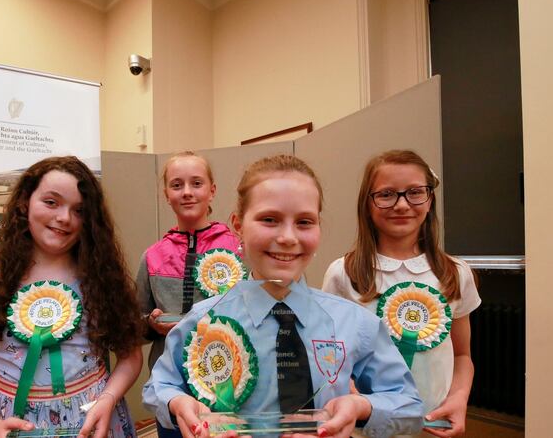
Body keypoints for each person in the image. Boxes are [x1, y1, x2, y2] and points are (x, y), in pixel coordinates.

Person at [144, 154, 423, 438]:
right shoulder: (203, 321)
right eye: (269, 219)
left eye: (304, 222)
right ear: (238, 225)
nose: (288, 237)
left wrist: (361, 406)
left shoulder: (354, 323)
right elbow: (160, 385)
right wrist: (178, 403)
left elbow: (408, 404)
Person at [0, 156, 143, 438]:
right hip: (12, 425)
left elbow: (130, 356)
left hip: (93, 422)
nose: (64, 217)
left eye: (79, 210)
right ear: (24, 202)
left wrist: (109, 397)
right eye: (51, 202)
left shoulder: (102, 283)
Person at [322, 150, 481, 438]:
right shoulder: (343, 273)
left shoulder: (455, 273)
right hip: (366, 427)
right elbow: (330, 356)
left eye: (414, 193)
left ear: (430, 199)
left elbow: (462, 354)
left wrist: (458, 399)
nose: (402, 204)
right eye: (386, 194)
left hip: (433, 424)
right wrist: (350, 395)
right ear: (367, 204)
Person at [137, 151, 241, 438]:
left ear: (212, 190)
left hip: (232, 383)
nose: (187, 193)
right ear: (166, 194)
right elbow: (134, 324)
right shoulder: (152, 256)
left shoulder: (239, 249)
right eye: (177, 185)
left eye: (196, 183)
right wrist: (150, 324)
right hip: (174, 389)